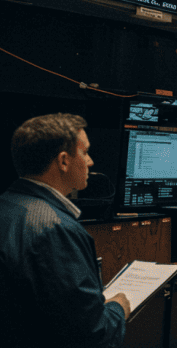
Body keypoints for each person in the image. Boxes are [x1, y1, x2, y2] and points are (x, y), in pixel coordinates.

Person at [0, 113, 131, 347]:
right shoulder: (55, 229)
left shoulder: (8, 205)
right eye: (85, 152)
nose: (90, 161)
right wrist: (118, 306)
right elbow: (93, 334)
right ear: (63, 161)